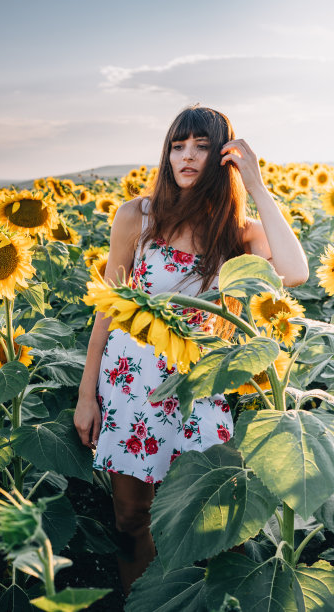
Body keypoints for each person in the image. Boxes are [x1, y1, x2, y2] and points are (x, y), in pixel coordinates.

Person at [74, 105, 309, 597]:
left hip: (196, 388)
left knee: (204, 519)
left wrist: (258, 185)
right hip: (128, 384)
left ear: (224, 158)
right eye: (178, 146)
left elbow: (294, 272)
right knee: (131, 515)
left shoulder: (238, 234)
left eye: (202, 146)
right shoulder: (137, 216)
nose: (187, 156)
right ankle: (144, 603)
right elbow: (108, 306)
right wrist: (85, 392)